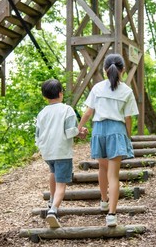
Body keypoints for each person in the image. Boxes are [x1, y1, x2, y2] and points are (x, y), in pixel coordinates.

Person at [78, 53, 139, 227]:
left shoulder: (97, 88)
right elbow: (128, 118)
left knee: (102, 169)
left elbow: (88, 112)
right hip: (117, 130)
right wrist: (127, 136)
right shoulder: (127, 91)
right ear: (123, 70)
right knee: (114, 175)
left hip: (99, 130)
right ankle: (111, 215)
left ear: (105, 70)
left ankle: (104, 200)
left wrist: (78, 128)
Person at [35, 79, 87, 228]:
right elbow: (70, 131)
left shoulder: (42, 113)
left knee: (53, 172)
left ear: (45, 96)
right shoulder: (66, 109)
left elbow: (38, 135)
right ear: (60, 93)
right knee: (61, 184)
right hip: (62, 151)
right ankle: (53, 211)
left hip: (47, 151)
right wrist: (81, 133)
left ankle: (51, 201)